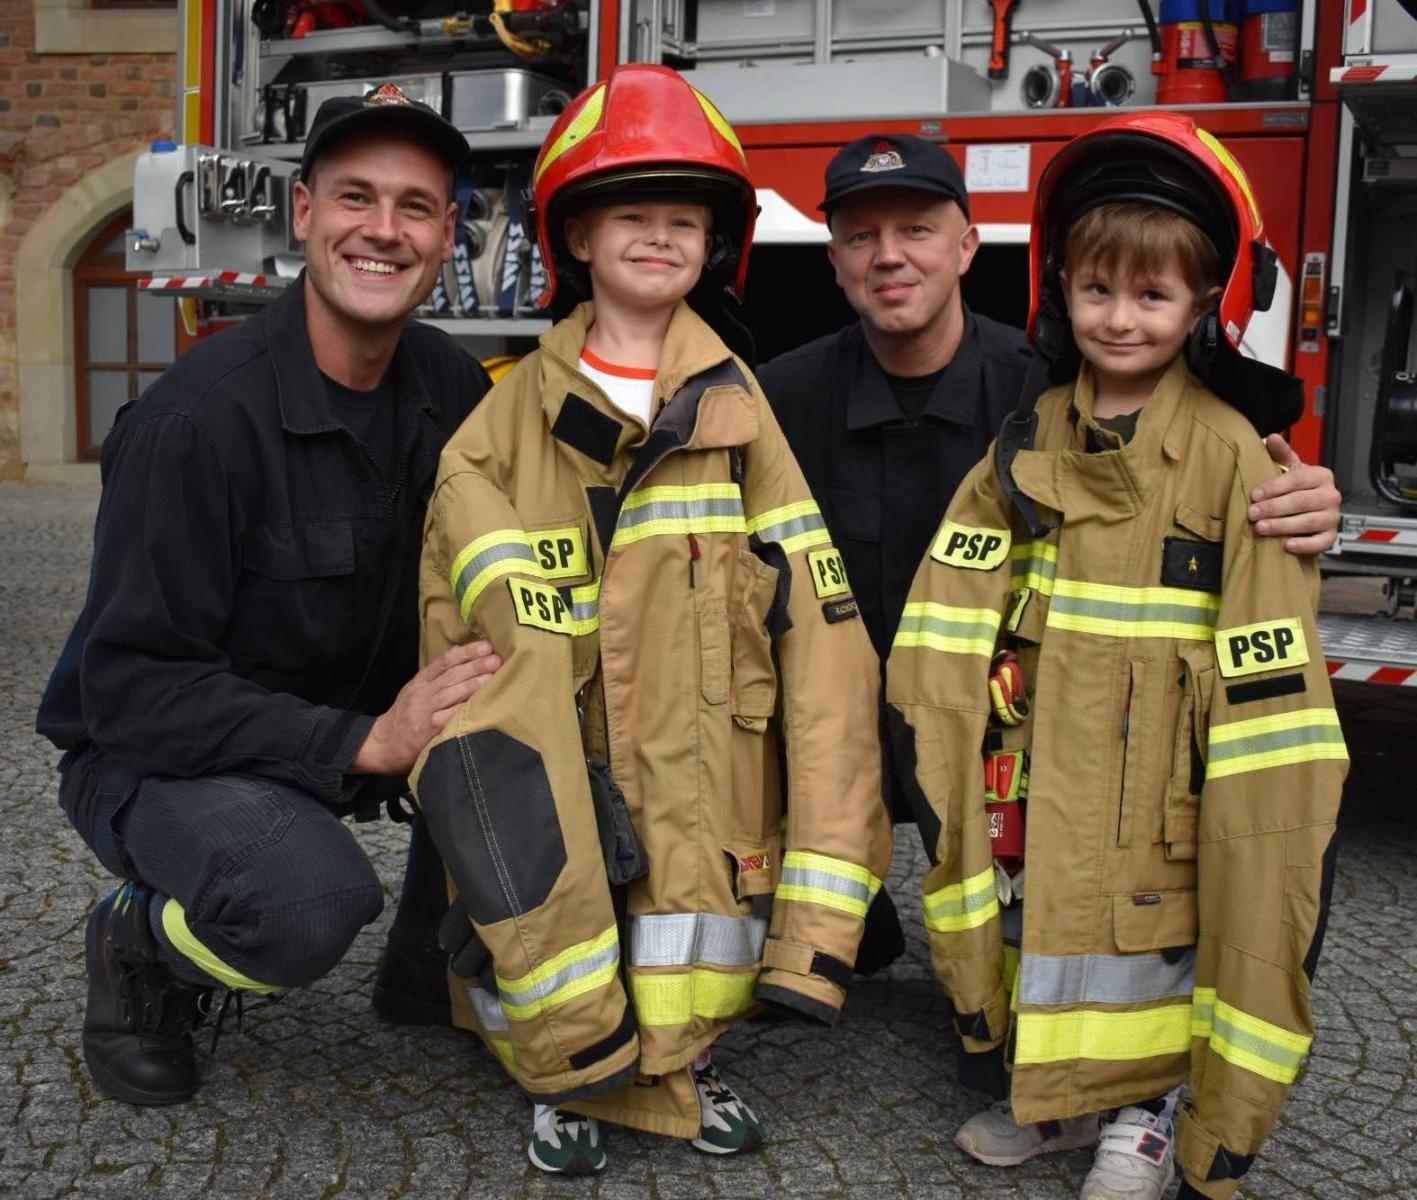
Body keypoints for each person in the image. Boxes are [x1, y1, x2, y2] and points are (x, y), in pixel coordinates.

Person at [408, 63, 892, 1175]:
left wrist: (818, 935)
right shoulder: (498, 431)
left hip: (704, 770)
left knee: (682, 924)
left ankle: (684, 1056)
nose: (660, 236)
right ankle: (561, 1069)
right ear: (576, 235)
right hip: (565, 761)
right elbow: (474, 679)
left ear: (714, 244)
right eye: (631, 212)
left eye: (684, 218)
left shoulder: (740, 412)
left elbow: (824, 647)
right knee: (559, 895)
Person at [885, 111, 1347, 1200]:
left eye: (1151, 295)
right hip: (1034, 766)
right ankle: (1058, 1095)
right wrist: (948, 740)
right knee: (1039, 925)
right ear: (1060, 290)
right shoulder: (1029, 436)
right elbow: (947, 611)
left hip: (1162, 788)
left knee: (1155, 943)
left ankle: (1148, 1113)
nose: (1120, 317)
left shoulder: (1233, 456)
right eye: (1097, 290)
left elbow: (1270, 679)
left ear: (1203, 303)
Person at [35, 84, 501, 1106]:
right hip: (157, 759)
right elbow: (132, 694)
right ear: (303, 213)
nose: (383, 229)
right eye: (355, 197)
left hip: (346, 729)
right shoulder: (195, 424)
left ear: (445, 236)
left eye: (416, 207)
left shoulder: (454, 391)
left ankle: (429, 963)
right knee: (302, 902)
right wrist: (361, 742)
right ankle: (141, 950)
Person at [757, 131, 1341, 821]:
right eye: (861, 236)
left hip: (1000, 746)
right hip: (832, 748)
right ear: (834, 260)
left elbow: (1176, 466)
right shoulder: (778, 399)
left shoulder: (1051, 392)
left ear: (966, 247)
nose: (888, 255)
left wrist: (1297, 497)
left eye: (916, 229)